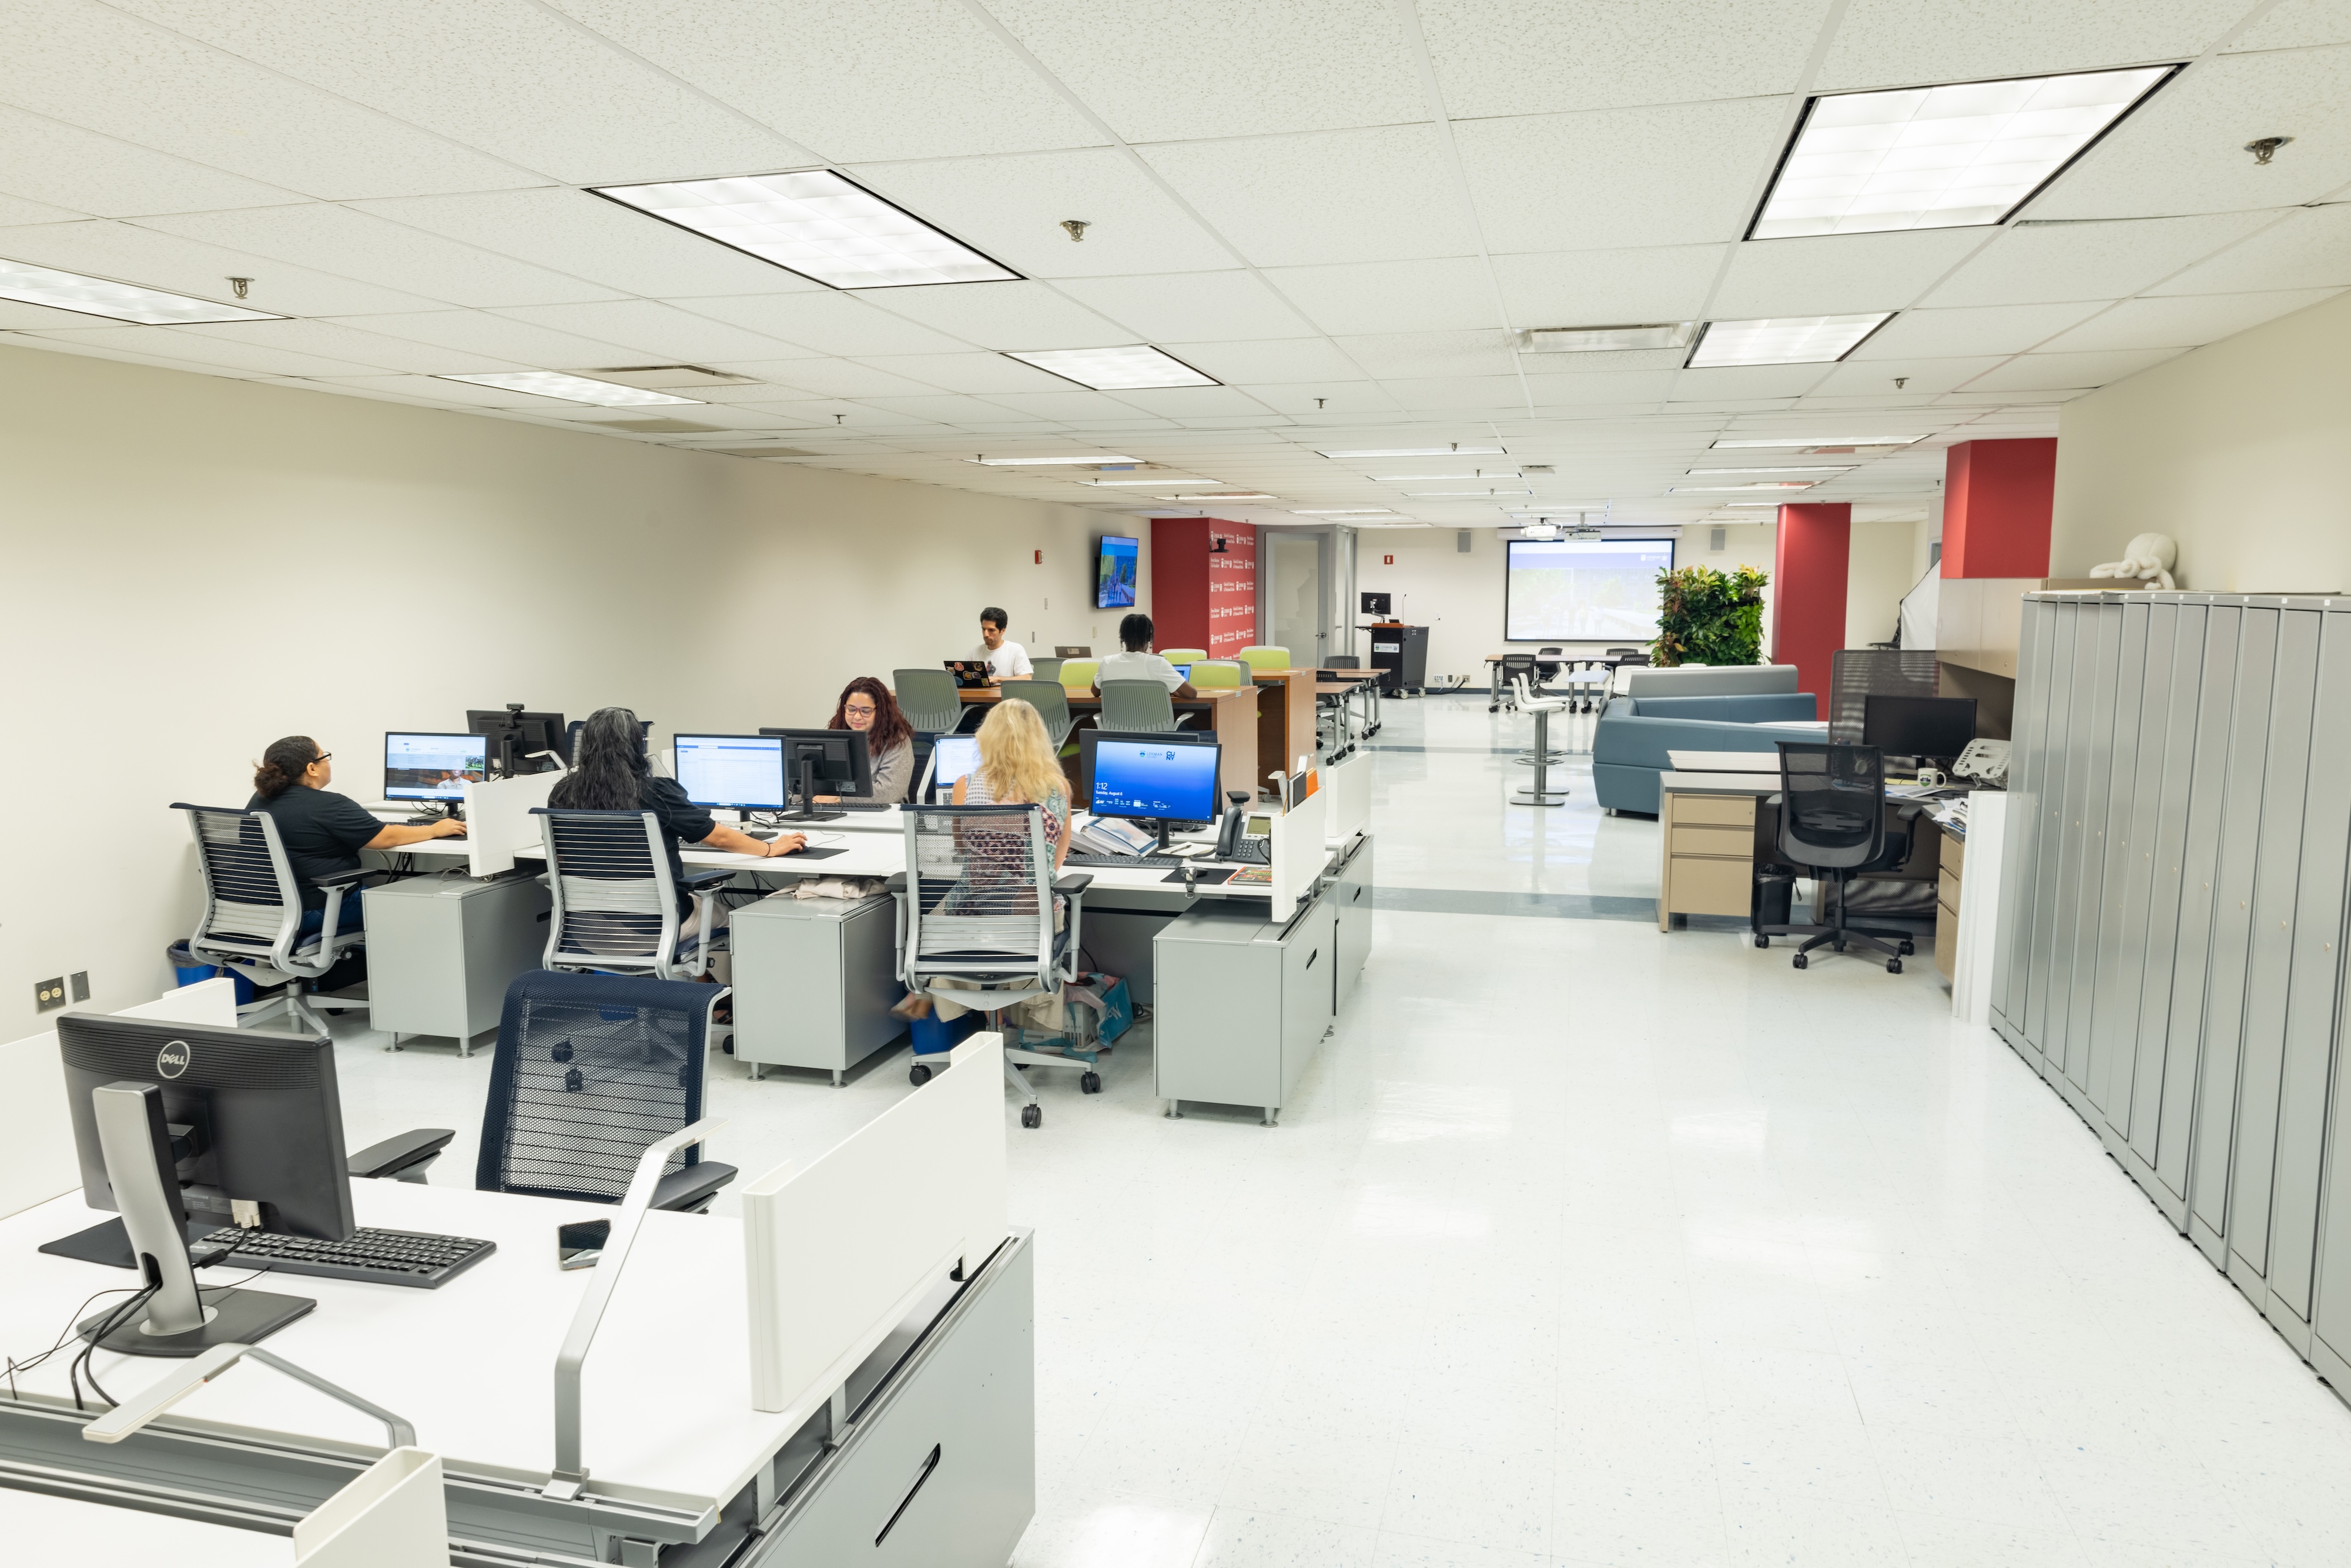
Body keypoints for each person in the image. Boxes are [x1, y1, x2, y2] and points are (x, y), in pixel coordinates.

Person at [548, 706, 806, 939]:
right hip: (654, 928)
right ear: (636, 746)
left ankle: (696, 985)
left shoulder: (563, 791)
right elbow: (719, 838)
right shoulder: (654, 791)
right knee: (736, 918)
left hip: (586, 930)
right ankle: (717, 991)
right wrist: (771, 849)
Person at [893, 698, 1069, 1022]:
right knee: (1036, 899)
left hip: (974, 918)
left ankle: (925, 989)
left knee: (941, 908)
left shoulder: (966, 785)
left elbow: (962, 848)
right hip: (1029, 920)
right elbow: (1057, 856)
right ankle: (1015, 1018)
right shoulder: (1058, 788)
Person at [249, 736, 467, 936]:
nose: (328, 762)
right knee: (416, 909)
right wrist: (434, 829)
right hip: (320, 908)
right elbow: (385, 838)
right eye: (325, 757)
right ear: (312, 768)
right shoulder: (329, 805)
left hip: (266, 911)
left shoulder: (259, 800)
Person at [822, 676, 915, 804]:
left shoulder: (897, 742)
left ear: (881, 712)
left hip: (885, 815)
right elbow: (812, 785)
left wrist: (838, 799)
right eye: (851, 709)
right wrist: (809, 797)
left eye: (866, 711)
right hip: (838, 811)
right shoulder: (835, 736)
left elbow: (889, 792)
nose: (857, 717)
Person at [1093, 612, 1196, 698]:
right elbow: (1191, 694)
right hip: (1155, 723)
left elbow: (1095, 692)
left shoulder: (1107, 662)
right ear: (1148, 638)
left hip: (1113, 723)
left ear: (1123, 637)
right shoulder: (1158, 663)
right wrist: (1169, 691)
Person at [974, 606, 1032, 684]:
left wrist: (998, 679)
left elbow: (1027, 678)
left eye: (991, 630)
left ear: (1003, 631)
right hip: (979, 695)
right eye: (984, 629)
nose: (986, 634)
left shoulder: (1016, 650)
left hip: (1007, 695)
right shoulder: (974, 653)